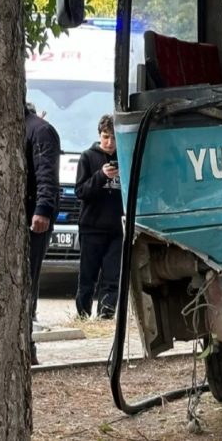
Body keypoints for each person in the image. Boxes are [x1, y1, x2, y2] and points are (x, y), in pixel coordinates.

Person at [75, 114, 124, 319]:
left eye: (113, 138)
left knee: (112, 277)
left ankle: (106, 314)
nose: (109, 142)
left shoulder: (124, 156)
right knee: (88, 276)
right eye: (105, 137)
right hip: (92, 227)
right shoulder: (88, 157)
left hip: (116, 228)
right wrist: (101, 176)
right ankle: (83, 314)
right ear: (99, 135)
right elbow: (81, 191)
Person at [25, 103, 61, 364]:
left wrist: (43, 208)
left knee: (28, 280)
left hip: (32, 218)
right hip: (21, 215)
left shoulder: (40, 131)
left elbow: (47, 175)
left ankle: (28, 347)